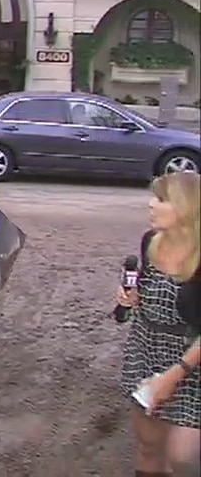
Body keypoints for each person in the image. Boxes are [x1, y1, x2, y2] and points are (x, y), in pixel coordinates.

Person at [117, 170, 201, 477]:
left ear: (186, 207)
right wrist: (135, 296)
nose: (151, 205)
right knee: (149, 446)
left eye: (161, 199)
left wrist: (174, 376)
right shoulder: (151, 241)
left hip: (192, 361)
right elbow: (149, 286)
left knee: (183, 458)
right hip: (147, 351)